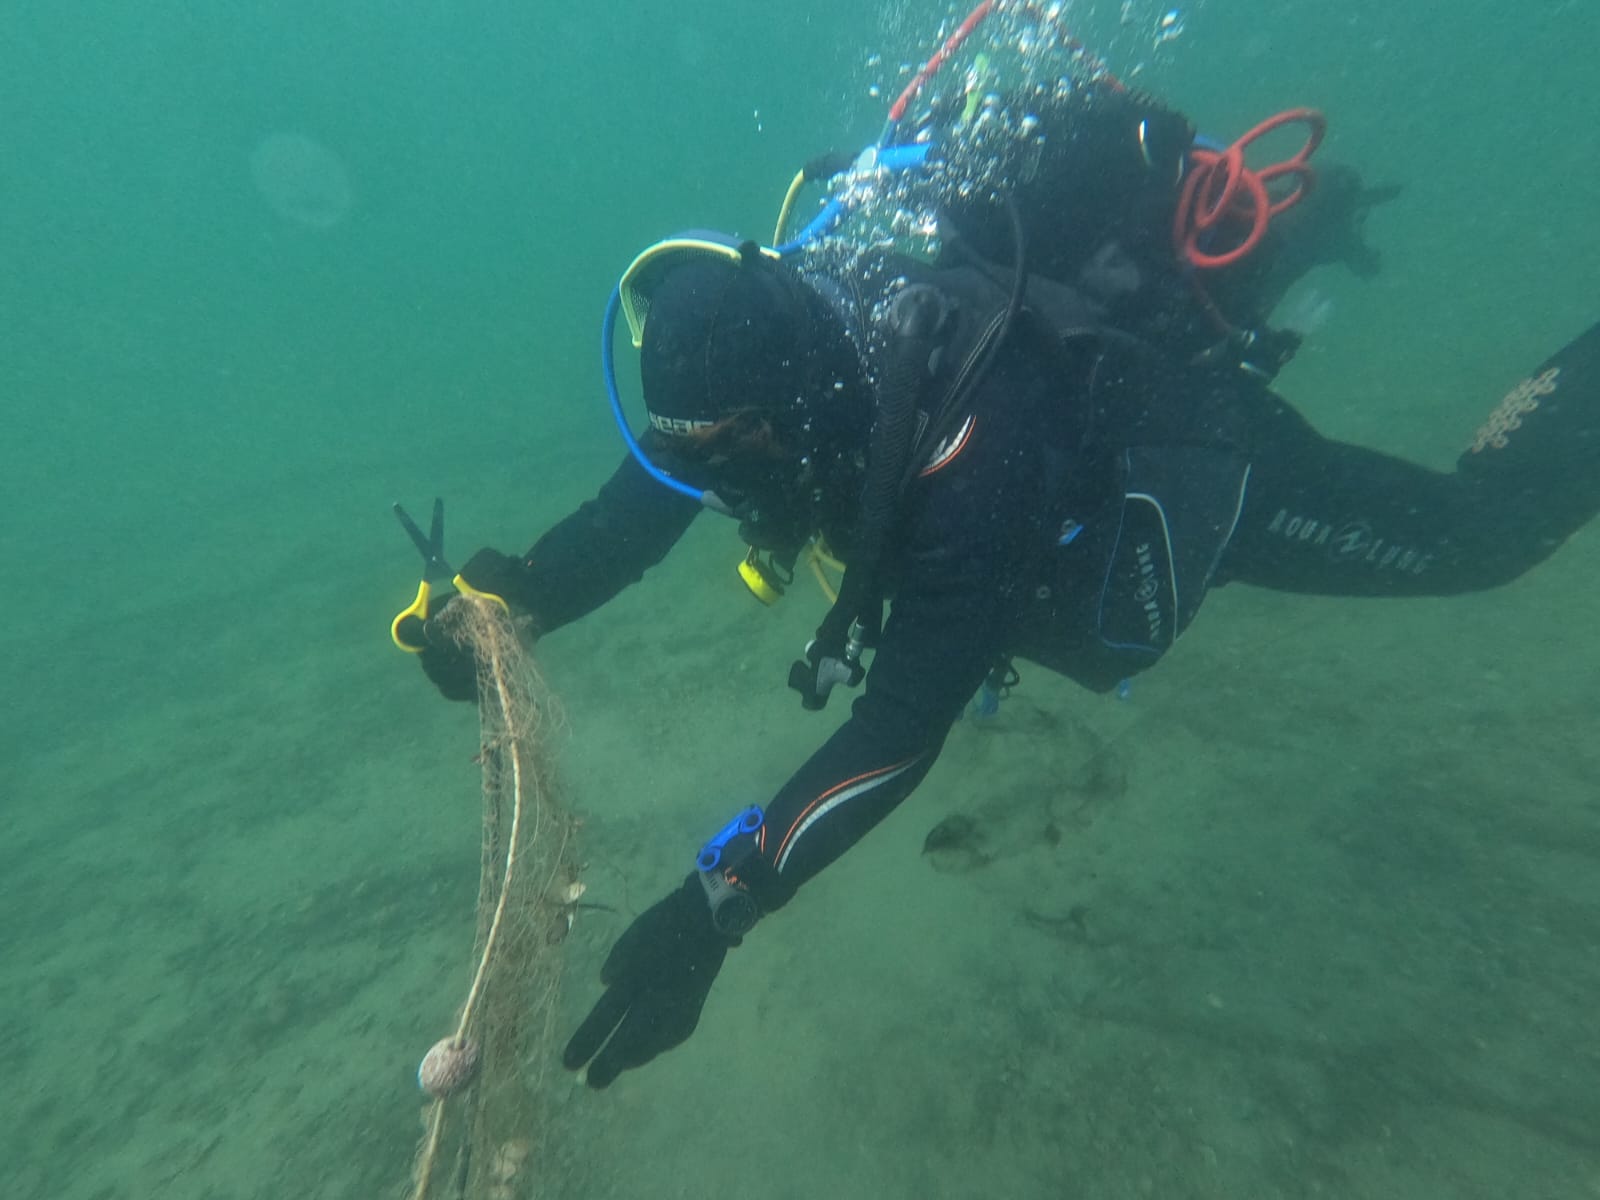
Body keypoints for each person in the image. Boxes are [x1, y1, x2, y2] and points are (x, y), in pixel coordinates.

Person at [406, 80, 1597, 1090]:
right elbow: (638, 509)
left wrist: (724, 895)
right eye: (692, 446)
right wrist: (513, 608)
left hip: (1190, 465)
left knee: (1485, 536)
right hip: (1044, 453)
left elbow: (899, 723)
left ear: (795, 404)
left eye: (729, 447)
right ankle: (1307, 228)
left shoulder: (967, 444)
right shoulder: (756, 385)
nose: (710, 475)